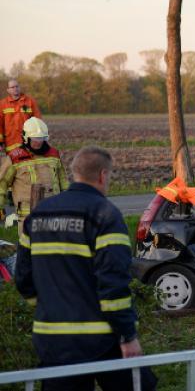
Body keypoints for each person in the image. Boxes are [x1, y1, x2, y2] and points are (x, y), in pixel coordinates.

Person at [14, 146, 157, 391]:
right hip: (99, 339)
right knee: (141, 386)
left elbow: (23, 278)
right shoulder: (105, 215)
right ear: (103, 175)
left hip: (50, 339)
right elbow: (114, 284)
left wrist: (50, 305)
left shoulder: (38, 215)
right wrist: (127, 336)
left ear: (74, 173)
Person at [0, 118, 68, 237]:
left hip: (53, 213)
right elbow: (2, 183)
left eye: (41, 138)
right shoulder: (14, 158)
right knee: (28, 252)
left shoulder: (54, 154)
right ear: (26, 138)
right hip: (27, 216)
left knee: (53, 250)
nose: (38, 142)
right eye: (35, 139)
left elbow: (63, 181)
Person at [0, 79, 43, 178]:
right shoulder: (2, 104)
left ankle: (28, 188)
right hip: (10, 143)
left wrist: (38, 138)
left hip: (27, 142)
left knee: (27, 167)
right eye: (12, 87)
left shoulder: (30, 101)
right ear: (8, 90)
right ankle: (11, 191)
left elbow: (38, 121)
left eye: (17, 86)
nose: (15, 89)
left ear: (19, 87)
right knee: (11, 168)